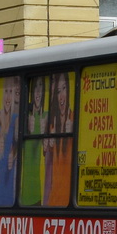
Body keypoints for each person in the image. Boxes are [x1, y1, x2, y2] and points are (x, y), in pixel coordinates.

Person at [43, 72, 74, 206]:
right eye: (58, 91)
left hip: (69, 201)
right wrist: (47, 147)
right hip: (53, 201)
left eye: (64, 89)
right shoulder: (51, 124)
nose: (61, 96)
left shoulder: (74, 119)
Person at [0, 76, 20, 205]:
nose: (8, 97)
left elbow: (18, 144)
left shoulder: (16, 119)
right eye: (6, 92)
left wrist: (13, 153)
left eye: (11, 92)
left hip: (11, 193)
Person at [20, 75, 48, 206]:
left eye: (40, 86)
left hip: (38, 191)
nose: (38, 91)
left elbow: (46, 151)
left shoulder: (46, 116)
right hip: (22, 192)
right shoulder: (24, 117)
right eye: (35, 87)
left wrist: (43, 135)